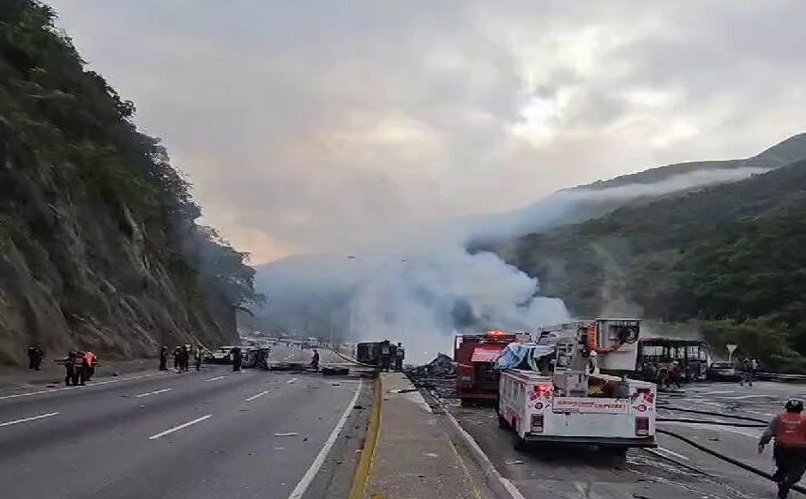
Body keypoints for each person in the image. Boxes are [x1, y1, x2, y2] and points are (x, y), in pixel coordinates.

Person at [759, 398, 806, 498]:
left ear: (787, 408)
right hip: (800, 450)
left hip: (781, 448)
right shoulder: (805, 419)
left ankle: (782, 485)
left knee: (782, 469)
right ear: (801, 409)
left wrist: (762, 443)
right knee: (797, 471)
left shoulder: (779, 418)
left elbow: (768, 433)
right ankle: (786, 482)